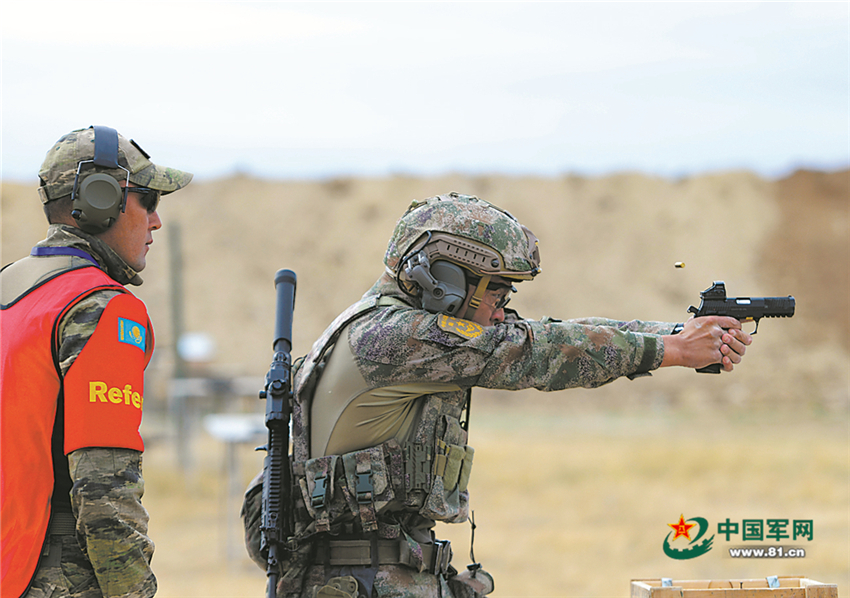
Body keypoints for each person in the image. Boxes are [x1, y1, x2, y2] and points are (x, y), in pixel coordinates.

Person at [241, 192, 752, 598]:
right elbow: (532, 352)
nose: (501, 308)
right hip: (362, 581)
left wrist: (678, 335)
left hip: (376, 577)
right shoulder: (392, 338)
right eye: (496, 291)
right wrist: (670, 349)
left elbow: (549, 333)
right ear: (443, 280)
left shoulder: (390, 328)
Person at [0, 126, 192, 598]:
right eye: (147, 200)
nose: (155, 222)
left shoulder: (11, 291)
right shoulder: (101, 306)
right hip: (54, 573)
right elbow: (105, 493)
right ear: (101, 199)